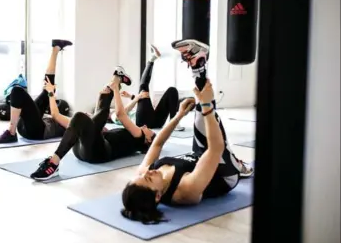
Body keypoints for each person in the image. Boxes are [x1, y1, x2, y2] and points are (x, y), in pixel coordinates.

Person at [120, 39, 254, 224]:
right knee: (203, 112)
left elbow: (157, 143)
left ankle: (198, 67)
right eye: (148, 179)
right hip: (223, 173)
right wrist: (206, 104)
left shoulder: (145, 175)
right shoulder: (185, 190)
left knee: (201, 116)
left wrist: (179, 115)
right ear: (158, 196)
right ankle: (198, 66)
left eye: (141, 176)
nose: (146, 173)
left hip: (199, 155)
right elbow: (216, 148)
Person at [29, 66, 157, 181]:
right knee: (83, 117)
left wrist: (116, 90)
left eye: (149, 130)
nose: (145, 126)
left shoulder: (140, 138)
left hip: (98, 153)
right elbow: (58, 116)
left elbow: (120, 114)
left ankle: (53, 162)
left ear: (148, 140)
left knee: (81, 116)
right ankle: (115, 81)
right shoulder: (135, 137)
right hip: (83, 150)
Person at [0, 39, 73, 143]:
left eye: (89, 115)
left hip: (37, 132)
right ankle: (56, 48)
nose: (87, 113)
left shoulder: (77, 124)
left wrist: (51, 93)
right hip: (28, 126)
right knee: (48, 88)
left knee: (18, 91)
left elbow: (55, 115)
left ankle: (11, 133)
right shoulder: (80, 120)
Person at [110, 44, 179, 129]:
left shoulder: (119, 110)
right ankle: (152, 59)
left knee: (172, 90)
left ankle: (174, 122)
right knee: (143, 87)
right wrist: (137, 98)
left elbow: (140, 102)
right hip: (143, 124)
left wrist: (131, 96)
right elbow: (120, 114)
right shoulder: (113, 116)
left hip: (156, 121)